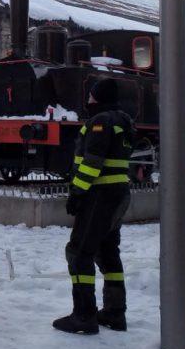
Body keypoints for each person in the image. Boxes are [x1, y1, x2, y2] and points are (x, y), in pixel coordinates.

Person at [53, 77, 134, 335]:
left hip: (100, 195)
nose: (87, 100)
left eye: (90, 96)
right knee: (108, 251)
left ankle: (84, 315)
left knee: (78, 252)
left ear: (97, 97)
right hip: (119, 194)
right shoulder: (124, 120)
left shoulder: (100, 121)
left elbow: (92, 161)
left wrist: (77, 192)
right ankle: (114, 312)